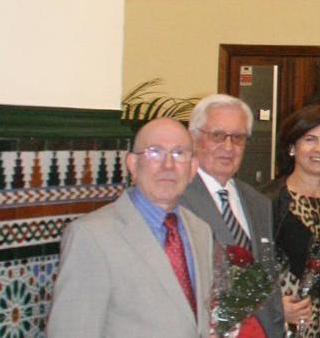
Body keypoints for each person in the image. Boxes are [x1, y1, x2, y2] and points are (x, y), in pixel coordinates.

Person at [47, 119, 214, 336]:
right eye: (155, 152)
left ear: (192, 168)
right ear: (133, 165)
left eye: (179, 153)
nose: (168, 165)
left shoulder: (200, 231)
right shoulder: (91, 236)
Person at [179, 94, 284, 336]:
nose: (228, 147)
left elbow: (269, 283)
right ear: (194, 138)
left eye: (237, 138)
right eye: (217, 136)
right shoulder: (178, 198)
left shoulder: (258, 202)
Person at [265, 105, 320, 337]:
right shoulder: (268, 203)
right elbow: (245, 273)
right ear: (292, 146)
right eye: (310, 139)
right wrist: (274, 307)